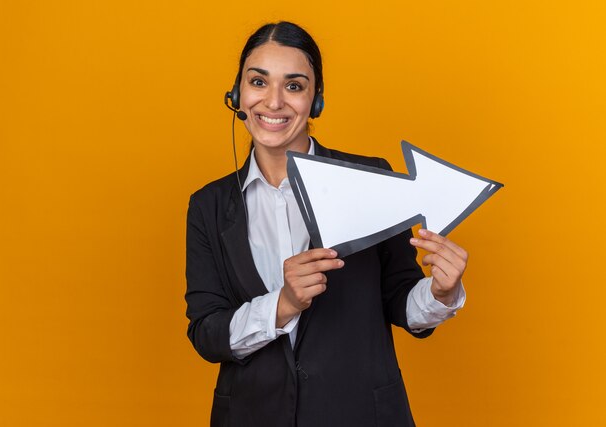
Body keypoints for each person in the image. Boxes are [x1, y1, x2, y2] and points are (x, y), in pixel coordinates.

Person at [185, 21, 468, 427]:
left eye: (294, 86)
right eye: (259, 82)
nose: (274, 101)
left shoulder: (370, 180)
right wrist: (282, 306)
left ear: (315, 101)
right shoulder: (208, 206)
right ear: (237, 95)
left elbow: (401, 301)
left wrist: (442, 292)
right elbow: (207, 333)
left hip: (361, 414)